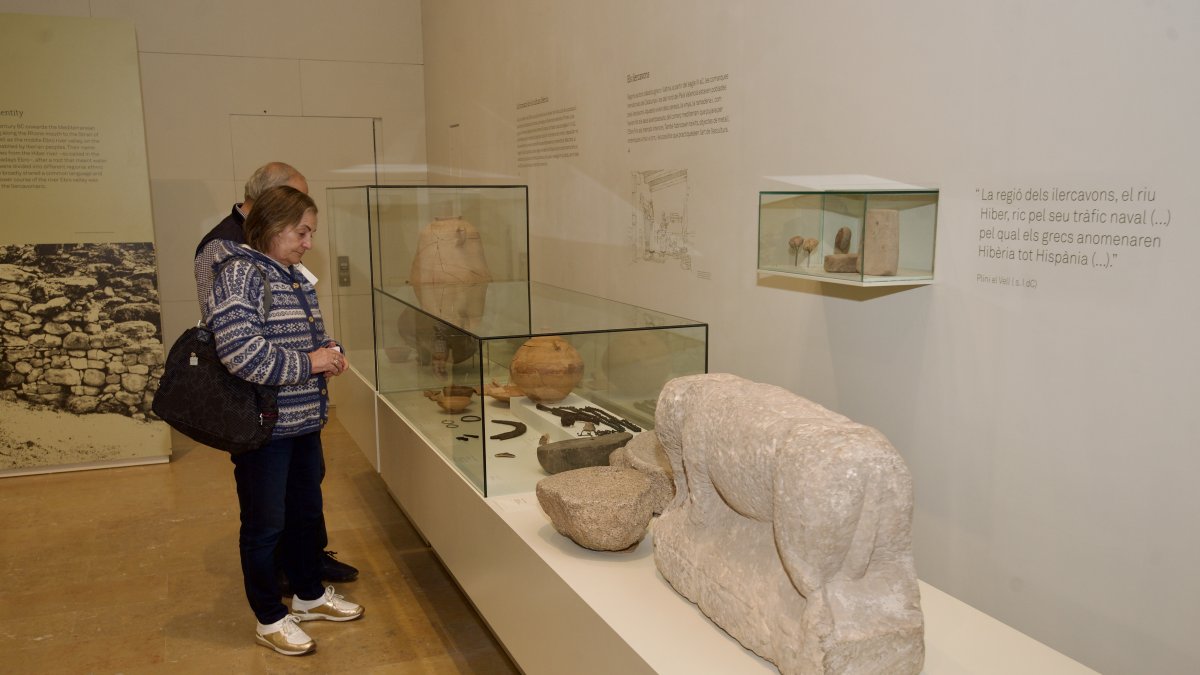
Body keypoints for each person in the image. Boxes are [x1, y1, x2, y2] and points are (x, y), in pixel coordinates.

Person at [205, 185, 363, 655]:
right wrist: (312, 364)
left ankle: (309, 594)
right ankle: (270, 617)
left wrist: (332, 352)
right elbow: (240, 353)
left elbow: (309, 338)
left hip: (302, 422)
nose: (308, 242)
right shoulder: (238, 275)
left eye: (310, 232)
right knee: (265, 524)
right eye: (302, 231)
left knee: (304, 515)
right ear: (272, 228)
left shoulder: (289, 274)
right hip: (265, 427)